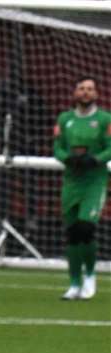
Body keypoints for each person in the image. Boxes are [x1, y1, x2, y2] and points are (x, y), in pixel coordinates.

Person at [53, 75, 110, 300]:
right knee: (72, 233)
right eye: (82, 88)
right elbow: (57, 148)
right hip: (72, 182)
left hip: (94, 182)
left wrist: (95, 160)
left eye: (90, 89)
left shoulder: (105, 119)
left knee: (86, 228)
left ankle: (90, 274)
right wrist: (68, 159)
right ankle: (74, 283)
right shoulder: (65, 119)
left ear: (96, 94)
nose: (85, 92)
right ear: (75, 92)